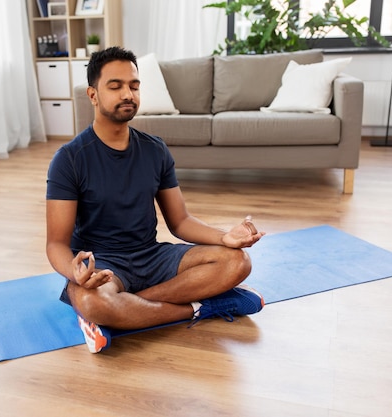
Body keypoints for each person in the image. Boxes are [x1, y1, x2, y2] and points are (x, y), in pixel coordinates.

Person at [46, 46, 265, 353]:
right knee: (92, 300)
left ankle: (123, 311)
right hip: (104, 266)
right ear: (93, 95)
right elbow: (55, 244)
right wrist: (76, 273)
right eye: (116, 86)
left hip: (151, 256)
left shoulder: (155, 149)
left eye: (134, 86)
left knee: (237, 261)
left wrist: (225, 237)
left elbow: (180, 221)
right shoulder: (69, 159)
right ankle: (200, 308)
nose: (128, 94)